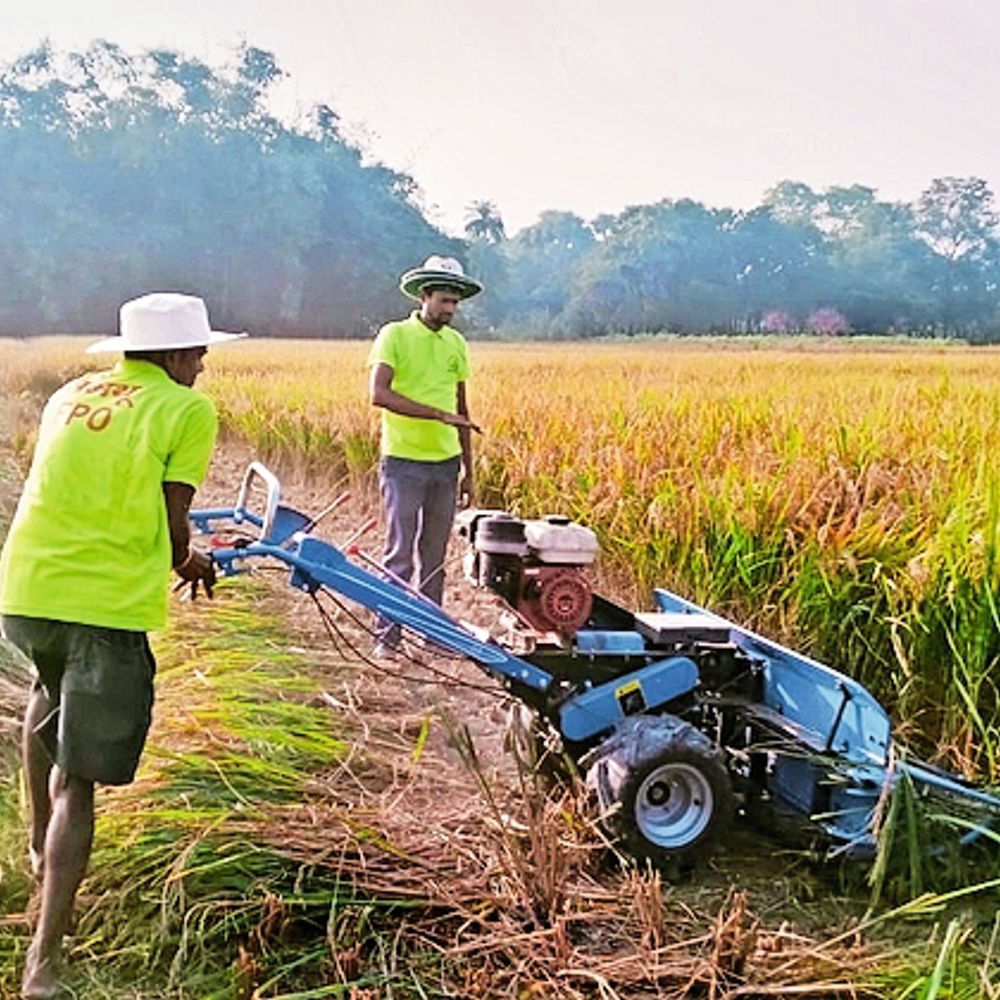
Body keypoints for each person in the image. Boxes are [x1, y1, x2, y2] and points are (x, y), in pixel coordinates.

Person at [0, 292, 245, 998]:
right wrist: (194, 563)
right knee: (77, 778)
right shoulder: (185, 408)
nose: (203, 365)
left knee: (48, 697)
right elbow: (175, 532)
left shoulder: (71, 394)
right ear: (172, 356)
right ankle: (44, 963)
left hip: (26, 591)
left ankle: (37, 855)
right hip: (101, 606)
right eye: (197, 353)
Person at [367, 255, 483, 651]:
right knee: (400, 552)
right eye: (444, 301)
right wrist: (437, 415)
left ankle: (433, 635)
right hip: (403, 461)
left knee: (434, 555)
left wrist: (469, 469)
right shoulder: (394, 335)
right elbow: (378, 394)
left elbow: (461, 412)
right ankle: (387, 636)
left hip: (445, 464)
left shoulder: (456, 343)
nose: (450, 310)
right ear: (424, 295)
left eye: (455, 303)